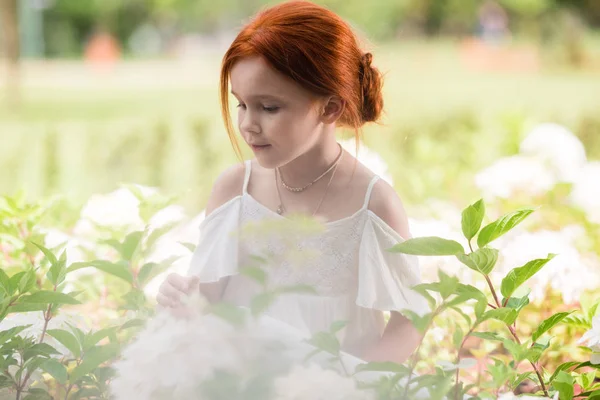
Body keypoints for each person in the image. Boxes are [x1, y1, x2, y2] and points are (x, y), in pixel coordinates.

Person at [157, 0, 429, 365]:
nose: (248, 125)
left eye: (269, 108)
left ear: (330, 108)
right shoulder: (235, 191)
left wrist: (357, 380)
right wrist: (183, 300)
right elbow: (209, 299)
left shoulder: (372, 203)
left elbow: (410, 318)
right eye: (241, 105)